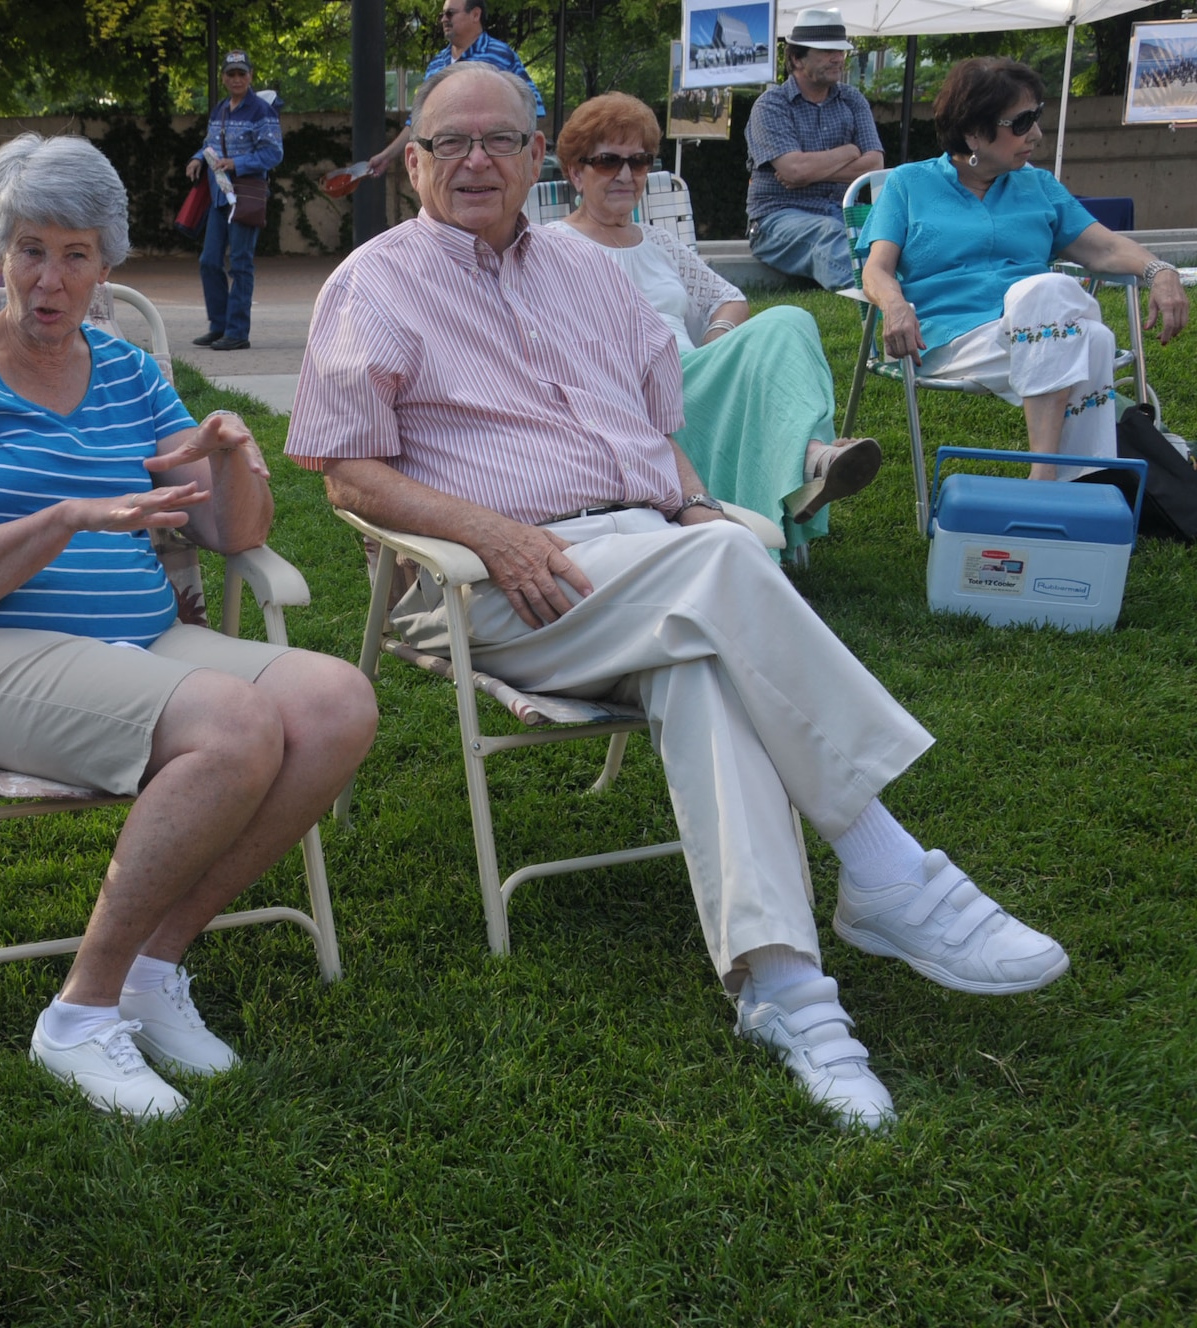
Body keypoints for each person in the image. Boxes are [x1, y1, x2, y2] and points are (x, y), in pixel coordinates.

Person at [287, 63, 1071, 1131]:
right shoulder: (371, 283)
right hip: (496, 582)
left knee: (703, 651)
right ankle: (887, 867)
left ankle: (786, 990)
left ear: (531, 161)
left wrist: (694, 501)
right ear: (414, 160)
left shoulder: (592, 274)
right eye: (449, 142)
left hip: (644, 565)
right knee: (722, 571)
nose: (475, 160)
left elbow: (653, 432)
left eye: (498, 141)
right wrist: (491, 532)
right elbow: (345, 472)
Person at [0, 132, 378, 1121]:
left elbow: (231, 534)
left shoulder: (130, 371)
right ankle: (78, 1010)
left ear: (106, 264)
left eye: (75, 254)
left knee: (334, 701)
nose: (49, 279)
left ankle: (153, 963)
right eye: (28, 248)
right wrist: (64, 517)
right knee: (234, 725)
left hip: (141, 643)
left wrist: (232, 455)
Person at [551, 93, 880, 548]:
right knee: (785, 323)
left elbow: (728, 298)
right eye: (608, 161)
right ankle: (811, 464)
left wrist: (715, 341)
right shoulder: (552, 245)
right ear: (575, 172)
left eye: (639, 162)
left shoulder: (659, 243)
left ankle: (810, 460)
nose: (626, 175)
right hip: (630, 394)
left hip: (693, 377)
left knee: (791, 319)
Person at [860, 57, 1189, 480]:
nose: (1035, 132)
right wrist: (894, 303)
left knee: (1089, 336)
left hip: (1039, 333)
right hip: (947, 338)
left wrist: (1161, 272)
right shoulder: (908, 184)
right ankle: (1049, 478)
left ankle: (1072, 490)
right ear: (974, 132)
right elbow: (876, 270)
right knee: (1069, 316)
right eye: (1021, 122)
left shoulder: (1038, 185)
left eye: (1037, 117)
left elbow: (1105, 247)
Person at [744, 9, 883, 291]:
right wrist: (849, 151)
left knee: (902, 229)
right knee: (828, 234)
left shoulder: (852, 99)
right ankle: (879, 299)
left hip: (843, 212)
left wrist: (808, 172)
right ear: (796, 58)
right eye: (826, 51)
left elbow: (874, 166)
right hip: (776, 221)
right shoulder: (771, 105)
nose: (838, 58)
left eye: (841, 50)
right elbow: (794, 170)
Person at [367, 0, 547, 178]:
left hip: (488, 167)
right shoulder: (438, 63)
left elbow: (532, 108)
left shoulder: (499, 54)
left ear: (475, 15)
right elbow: (417, 121)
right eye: (442, 14)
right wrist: (386, 156)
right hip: (446, 169)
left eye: (450, 13)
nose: (444, 19)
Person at [184, 49, 283, 352]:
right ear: (224, 78)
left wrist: (236, 163)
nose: (237, 79)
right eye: (231, 74)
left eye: (242, 73)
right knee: (209, 261)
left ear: (250, 76)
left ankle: (238, 331)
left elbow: (273, 153)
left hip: (247, 196)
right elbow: (209, 144)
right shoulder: (221, 109)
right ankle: (219, 326)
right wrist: (198, 158)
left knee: (240, 263)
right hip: (219, 196)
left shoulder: (261, 111)